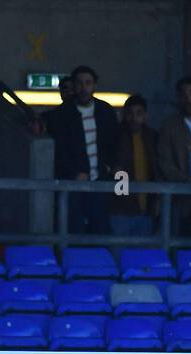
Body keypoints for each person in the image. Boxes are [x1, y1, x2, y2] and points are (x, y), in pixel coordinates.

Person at [46, 64, 118, 236]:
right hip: (72, 184)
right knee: (74, 231)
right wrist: (74, 173)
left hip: (99, 181)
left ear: (94, 86)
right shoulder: (61, 115)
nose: (84, 88)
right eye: (80, 83)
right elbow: (59, 152)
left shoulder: (105, 111)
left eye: (88, 83)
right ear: (74, 86)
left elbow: (113, 142)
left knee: (100, 230)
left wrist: (108, 167)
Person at [155, 75, 191, 237]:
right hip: (182, 197)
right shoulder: (170, 127)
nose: (188, 98)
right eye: (183, 94)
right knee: (185, 243)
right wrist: (186, 182)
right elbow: (164, 163)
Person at [109, 93, 159, 238]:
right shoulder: (114, 136)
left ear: (145, 116)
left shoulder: (153, 138)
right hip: (120, 209)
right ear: (124, 115)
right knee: (120, 256)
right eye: (130, 113)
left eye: (139, 113)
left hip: (146, 209)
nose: (134, 118)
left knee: (142, 257)